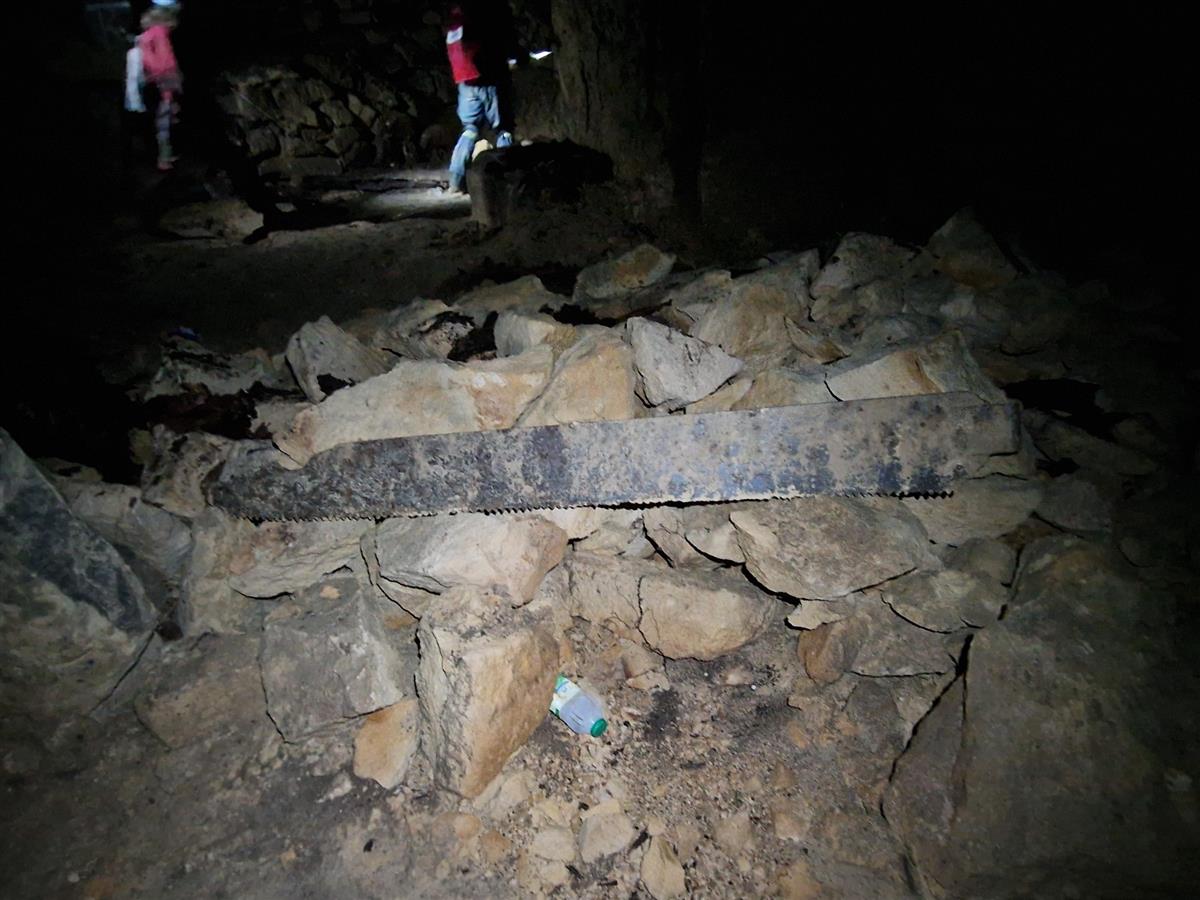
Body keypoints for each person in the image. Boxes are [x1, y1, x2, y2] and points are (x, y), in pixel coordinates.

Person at [444, 1, 519, 193]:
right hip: (490, 80)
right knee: (503, 129)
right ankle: (509, 178)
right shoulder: (488, 12)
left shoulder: (456, 18)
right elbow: (506, 44)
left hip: (466, 83)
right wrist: (519, 57)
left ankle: (455, 181)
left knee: (470, 129)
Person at [137, 2, 183, 172]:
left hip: (156, 83)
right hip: (163, 84)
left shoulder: (146, 36)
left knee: (163, 120)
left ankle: (164, 156)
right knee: (164, 121)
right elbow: (164, 63)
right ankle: (164, 158)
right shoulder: (159, 33)